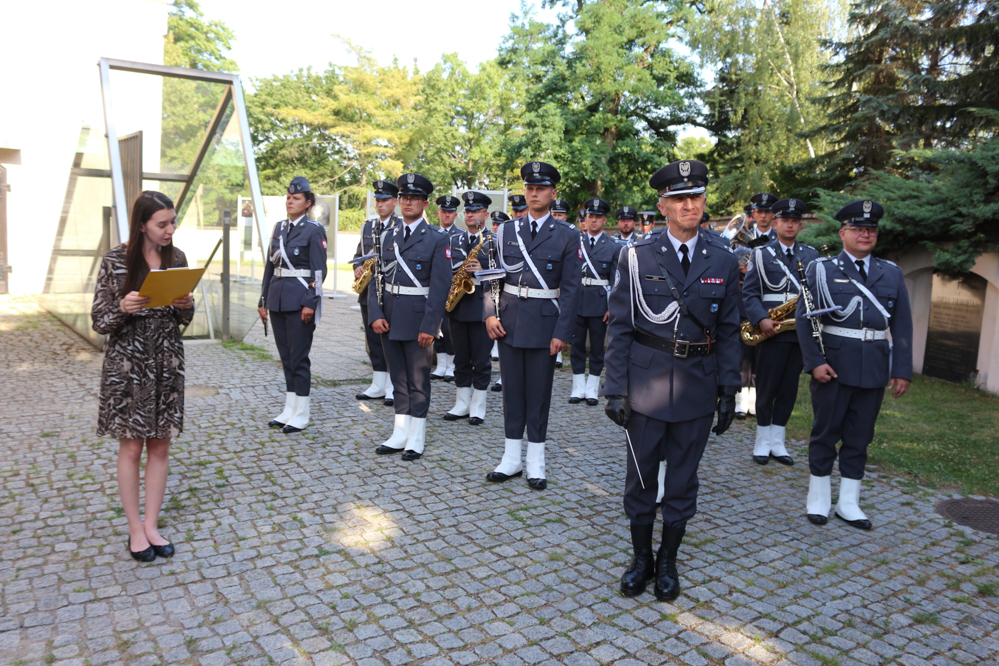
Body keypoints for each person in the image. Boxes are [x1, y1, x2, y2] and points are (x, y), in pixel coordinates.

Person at [602, 160, 741, 601]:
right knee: (641, 478)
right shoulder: (637, 255)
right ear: (663, 206)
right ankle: (640, 558)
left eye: (696, 197)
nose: (689, 205)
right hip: (645, 386)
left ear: (704, 203)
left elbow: (730, 329)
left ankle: (667, 561)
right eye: (679, 199)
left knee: (682, 480)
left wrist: (727, 389)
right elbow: (621, 326)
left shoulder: (723, 258)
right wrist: (616, 388)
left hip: (698, 384)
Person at [92, 191, 196, 562]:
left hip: (166, 360)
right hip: (128, 364)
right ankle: (135, 529)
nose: (171, 229)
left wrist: (186, 304)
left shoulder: (177, 259)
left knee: (161, 444)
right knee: (132, 445)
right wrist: (122, 306)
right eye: (162, 223)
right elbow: (100, 321)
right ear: (142, 225)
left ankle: (152, 525)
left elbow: (184, 319)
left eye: (172, 221)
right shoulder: (115, 261)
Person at [796, 199, 912, 529]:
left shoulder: (891, 272)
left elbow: (902, 325)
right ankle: (818, 498)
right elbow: (804, 320)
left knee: (861, 436)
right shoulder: (822, 269)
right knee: (825, 433)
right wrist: (815, 362)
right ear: (842, 232)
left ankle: (849, 502)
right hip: (833, 366)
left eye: (871, 229)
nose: (865, 234)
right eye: (858, 229)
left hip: (874, 367)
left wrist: (901, 368)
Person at [483, 161, 581, 490]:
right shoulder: (507, 230)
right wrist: (489, 314)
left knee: (538, 395)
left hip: (544, 324)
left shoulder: (568, 234)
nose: (534, 193)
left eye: (540, 188)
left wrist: (562, 333)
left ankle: (536, 460)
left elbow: (571, 289)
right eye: (529, 188)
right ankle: (511, 458)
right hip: (508, 320)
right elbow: (492, 277)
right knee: (511, 393)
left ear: (553, 193)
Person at [369, 173, 451, 460]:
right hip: (389, 318)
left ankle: (416, 436)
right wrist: (375, 314)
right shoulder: (386, 234)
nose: (408, 202)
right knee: (398, 378)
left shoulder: (438, 238)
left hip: (419, 319)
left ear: (425, 203)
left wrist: (431, 325)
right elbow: (376, 279)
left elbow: (441, 287)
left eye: (414, 198)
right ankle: (399, 431)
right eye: (404, 197)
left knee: (418, 380)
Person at [742, 198, 819, 466]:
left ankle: (778, 442)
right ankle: (762, 441)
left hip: (798, 332)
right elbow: (750, 292)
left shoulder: (811, 256)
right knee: (766, 388)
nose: (790, 225)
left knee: (788, 390)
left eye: (795, 221)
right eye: (785, 220)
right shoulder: (761, 254)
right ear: (776, 224)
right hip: (770, 331)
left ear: (800, 225)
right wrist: (761, 319)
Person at [258, 177, 328, 433]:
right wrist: (263, 298)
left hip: (300, 302)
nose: (290, 201)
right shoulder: (279, 227)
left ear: (308, 203)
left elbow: (319, 273)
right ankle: (289, 408)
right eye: (288, 197)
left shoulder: (314, 229)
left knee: (299, 359)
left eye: (296, 198)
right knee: (286, 358)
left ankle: (302, 413)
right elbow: (270, 266)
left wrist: (311, 302)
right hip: (277, 299)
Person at [442, 191, 495, 425]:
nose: (471, 214)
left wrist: (481, 269)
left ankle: (478, 406)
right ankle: (462, 403)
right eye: (468, 211)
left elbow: (504, 275)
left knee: (481, 359)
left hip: (484, 308)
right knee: (460, 358)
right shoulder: (453, 240)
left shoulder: (494, 241)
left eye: (476, 211)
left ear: (486, 214)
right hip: (458, 307)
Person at [354, 180, 401, 406]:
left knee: (390, 338)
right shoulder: (367, 227)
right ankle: (378, 383)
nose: (380, 205)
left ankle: (393, 385)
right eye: (378, 201)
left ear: (395, 201)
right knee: (373, 338)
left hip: (391, 291)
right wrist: (357, 268)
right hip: (368, 291)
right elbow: (358, 254)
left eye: (385, 201)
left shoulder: (402, 226)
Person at [569, 197, 618, 406]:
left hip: (600, 304)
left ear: (605, 220)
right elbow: (568, 275)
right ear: (585, 219)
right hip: (577, 301)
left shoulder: (614, 247)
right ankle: (578, 387)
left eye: (598, 217)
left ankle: (592, 388)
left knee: (597, 348)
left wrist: (612, 307)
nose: (594, 221)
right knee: (576, 346)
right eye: (590, 217)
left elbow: (617, 281)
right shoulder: (574, 243)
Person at [431, 195, 462, 381]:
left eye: (450, 212)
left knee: (450, 329)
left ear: (455, 215)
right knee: (437, 326)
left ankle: (452, 365)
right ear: (438, 213)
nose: (447, 215)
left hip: (453, 289)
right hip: (436, 287)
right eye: (444, 212)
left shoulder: (461, 235)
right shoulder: (432, 234)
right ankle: (441, 365)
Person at [489, 211, 509, 392]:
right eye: (493, 224)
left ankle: (506, 377)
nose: (496, 227)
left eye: (499, 224)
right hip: (497, 294)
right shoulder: (489, 241)